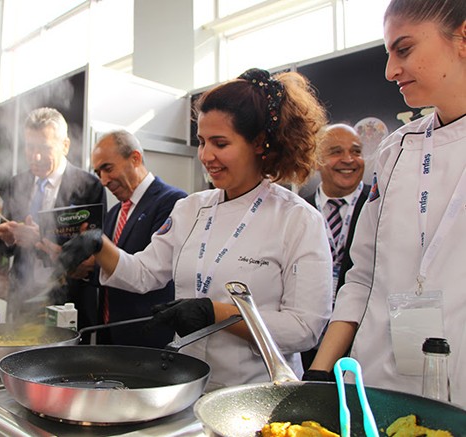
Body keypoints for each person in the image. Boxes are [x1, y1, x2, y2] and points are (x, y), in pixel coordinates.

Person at [58, 68, 333, 390]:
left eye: (220, 143)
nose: (206, 156)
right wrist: (98, 243)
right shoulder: (190, 209)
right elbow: (144, 273)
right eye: (202, 142)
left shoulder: (297, 219)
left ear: (259, 143)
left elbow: (303, 329)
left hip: (257, 393)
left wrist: (216, 313)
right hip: (188, 385)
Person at [305, 0, 466, 407]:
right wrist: (319, 374)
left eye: (404, 49)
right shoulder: (397, 149)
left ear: (462, 38)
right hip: (377, 385)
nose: (390, 70)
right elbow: (362, 275)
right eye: (389, 53)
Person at [0, 107, 105, 328]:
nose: (35, 157)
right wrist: (8, 238)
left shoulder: (88, 186)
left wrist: (40, 238)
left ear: (65, 145)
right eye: (30, 147)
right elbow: (3, 250)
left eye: (45, 148)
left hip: (68, 301)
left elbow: (96, 249)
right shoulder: (16, 184)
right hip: (23, 299)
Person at [85, 129, 187, 347]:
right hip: (109, 335)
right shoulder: (114, 213)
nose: (103, 180)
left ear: (135, 158)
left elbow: (148, 272)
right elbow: (110, 269)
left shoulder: (173, 203)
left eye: (108, 168)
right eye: (98, 173)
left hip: (148, 339)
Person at [299, 123, 370, 369]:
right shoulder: (298, 211)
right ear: (317, 160)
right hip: (305, 342)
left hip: (360, 344)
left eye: (356, 151)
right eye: (336, 152)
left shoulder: (380, 206)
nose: (348, 159)